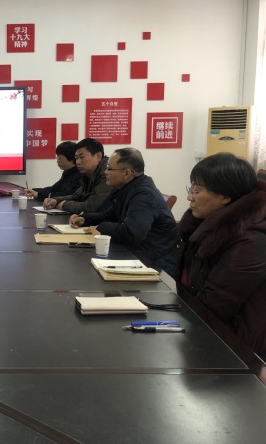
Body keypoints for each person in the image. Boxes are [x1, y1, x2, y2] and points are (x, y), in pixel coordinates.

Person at [177, 152, 266, 360]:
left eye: (196, 190)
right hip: (208, 328)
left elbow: (216, 303)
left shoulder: (251, 240)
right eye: (191, 189)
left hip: (238, 347)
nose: (189, 197)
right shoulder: (203, 226)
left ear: (225, 197)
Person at [68, 148, 178, 275]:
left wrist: (100, 227)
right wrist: (85, 219)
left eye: (109, 168)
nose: (105, 172)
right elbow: (111, 214)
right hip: (134, 253)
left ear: (126, 173)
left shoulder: (144, 195)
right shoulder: (126, 188)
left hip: (152, 264)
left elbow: (131, 233)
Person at [43, 138, 111, 213]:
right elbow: (75, 196)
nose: (78, 162)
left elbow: (91, 207)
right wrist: (56, 200)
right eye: (76, 158)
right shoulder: (88, 174)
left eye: (82, 157)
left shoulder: (108, 175)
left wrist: (64, 205)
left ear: (98, 156)